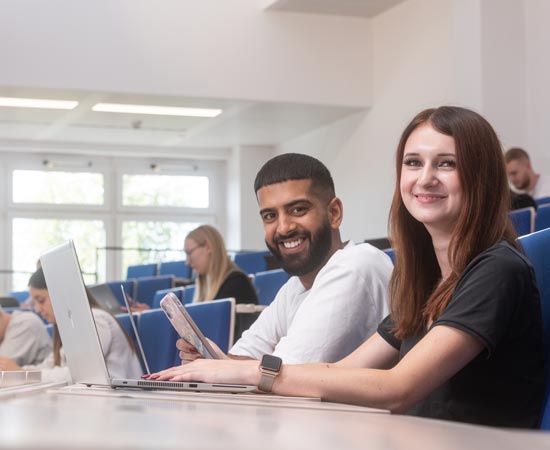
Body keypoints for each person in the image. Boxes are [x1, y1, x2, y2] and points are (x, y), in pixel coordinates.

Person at [150, 107, 545, 429]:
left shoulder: (497, 269)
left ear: (481, 177)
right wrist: (224, 364)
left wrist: (251, 372)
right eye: (413, 162)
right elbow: (338, 373)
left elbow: (398, 387)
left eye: (446, 164)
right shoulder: (425, 281)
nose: (425, 178)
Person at [166, 153, 392, 365]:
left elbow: (280, 373)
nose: (283, 228)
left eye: (298, 210)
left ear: (334, 213)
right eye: (270, 216)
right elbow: (242, 358)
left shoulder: (356, 265)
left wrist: (221, 368)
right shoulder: (294, 288)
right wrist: (213, 361)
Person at [0, 267, 143, 383]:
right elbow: (51, 365)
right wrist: (16, 372)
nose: (37, 309)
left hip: (121, 404)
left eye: (41, 300)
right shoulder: (71, 325)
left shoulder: (95, 318)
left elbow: (78, 375)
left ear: (61, 293)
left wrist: (22, 374)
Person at [184, 224, 258, 305]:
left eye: (189, 253)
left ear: (208, 247)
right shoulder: (203, 285)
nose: (187, 262)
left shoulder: (237, 282)